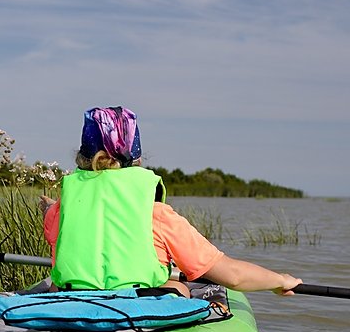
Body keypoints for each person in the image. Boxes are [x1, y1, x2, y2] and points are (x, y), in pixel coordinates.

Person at [40, 106, 301, 298]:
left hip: (70, 300)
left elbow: (64, 223)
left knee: (54, 284)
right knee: (179, 287)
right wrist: (279, 280)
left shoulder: (60, 211)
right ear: (137, 159)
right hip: (133, 308)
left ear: (82, 158)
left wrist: (49, 208)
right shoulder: (156, 214)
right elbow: (233, 275)